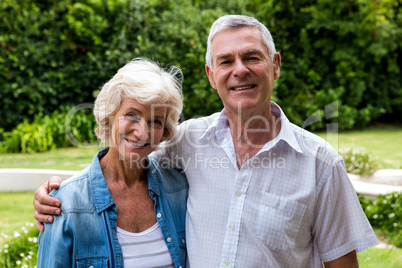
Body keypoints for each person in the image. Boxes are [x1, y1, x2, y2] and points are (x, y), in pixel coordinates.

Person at [33, 15, 378, 267]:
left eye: (252, 57)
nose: (239, 70)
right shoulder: (188, 141)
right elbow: (124, 157)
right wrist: (59, 196)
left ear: (275, 65)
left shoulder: (320, 162)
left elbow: (341, 264)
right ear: (212, 76)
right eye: (226, 61)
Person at [36, 58, 188, 268]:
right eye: (132, 115)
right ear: (109, 117)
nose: (141, 132)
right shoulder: (66, 203)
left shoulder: (179, 189)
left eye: (155, 121)